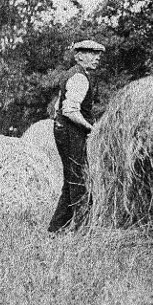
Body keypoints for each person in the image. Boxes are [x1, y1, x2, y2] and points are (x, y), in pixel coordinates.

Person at [48, 39, 105, 233]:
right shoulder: (80, 78)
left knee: (70, 179)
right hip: (72, 132)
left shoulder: (71, 74)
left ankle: (56, 228)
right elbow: (70, 110)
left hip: (63, 130)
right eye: (91, 53)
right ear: (79, 55)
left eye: (98, 54)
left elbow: (57, 106)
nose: (96, 58)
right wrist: (91, 128)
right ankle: (82, 230)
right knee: (79, 180)